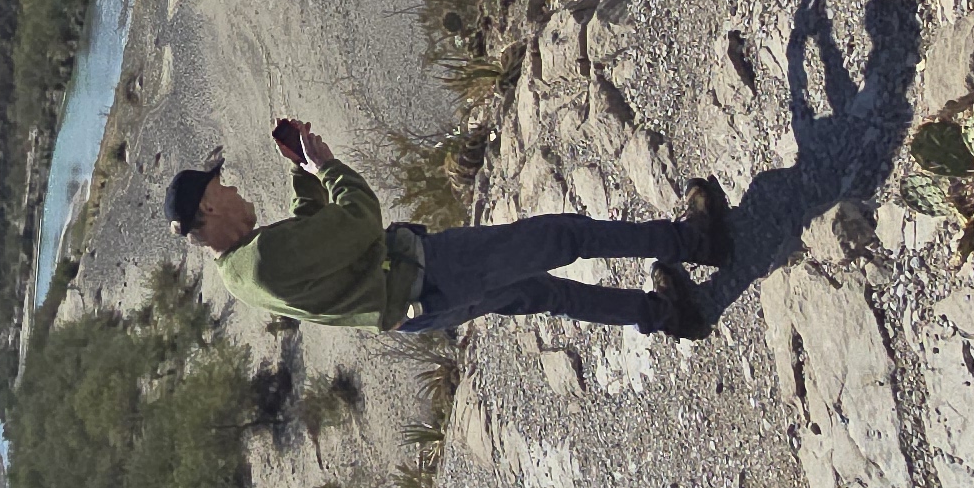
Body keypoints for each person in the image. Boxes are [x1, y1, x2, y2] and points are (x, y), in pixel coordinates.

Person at [167, 117, 734, 337]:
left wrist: (306, 174)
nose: (235, 190)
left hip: (422, 308)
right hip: (436, 273)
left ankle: (663, 314)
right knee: (564, 237)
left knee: (545, 294)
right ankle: (691, 240)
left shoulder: (238, 274)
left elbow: (320, 244)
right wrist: (332, 168)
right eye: (224, 188)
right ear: (209, 209)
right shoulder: (262, 258)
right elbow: (362, 220)